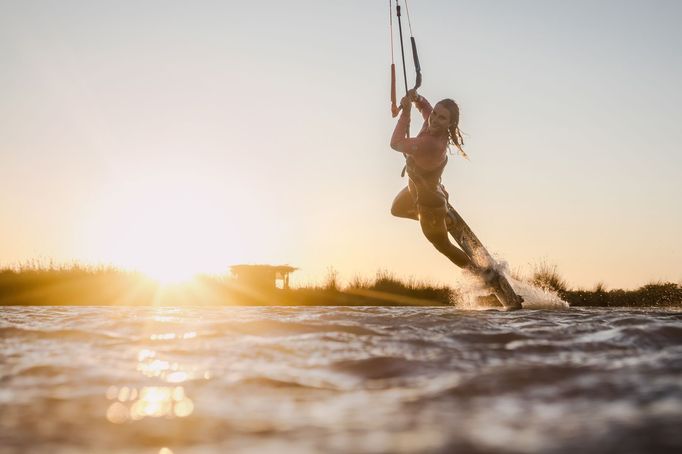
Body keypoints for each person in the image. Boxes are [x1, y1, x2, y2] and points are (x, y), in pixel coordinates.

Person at [389, 89, 476, 271]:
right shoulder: (432, 123)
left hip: (429, 205)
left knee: (443, 246)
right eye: (435, 114)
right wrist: (416, 98)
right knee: (396, 209)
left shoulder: (431, 144)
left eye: (441, 118)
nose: (434, 120)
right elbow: (426, 108)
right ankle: (446, 219)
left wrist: (405, 113)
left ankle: (482, 276)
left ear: (449, 123)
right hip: (422, 189)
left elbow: (396, 143)